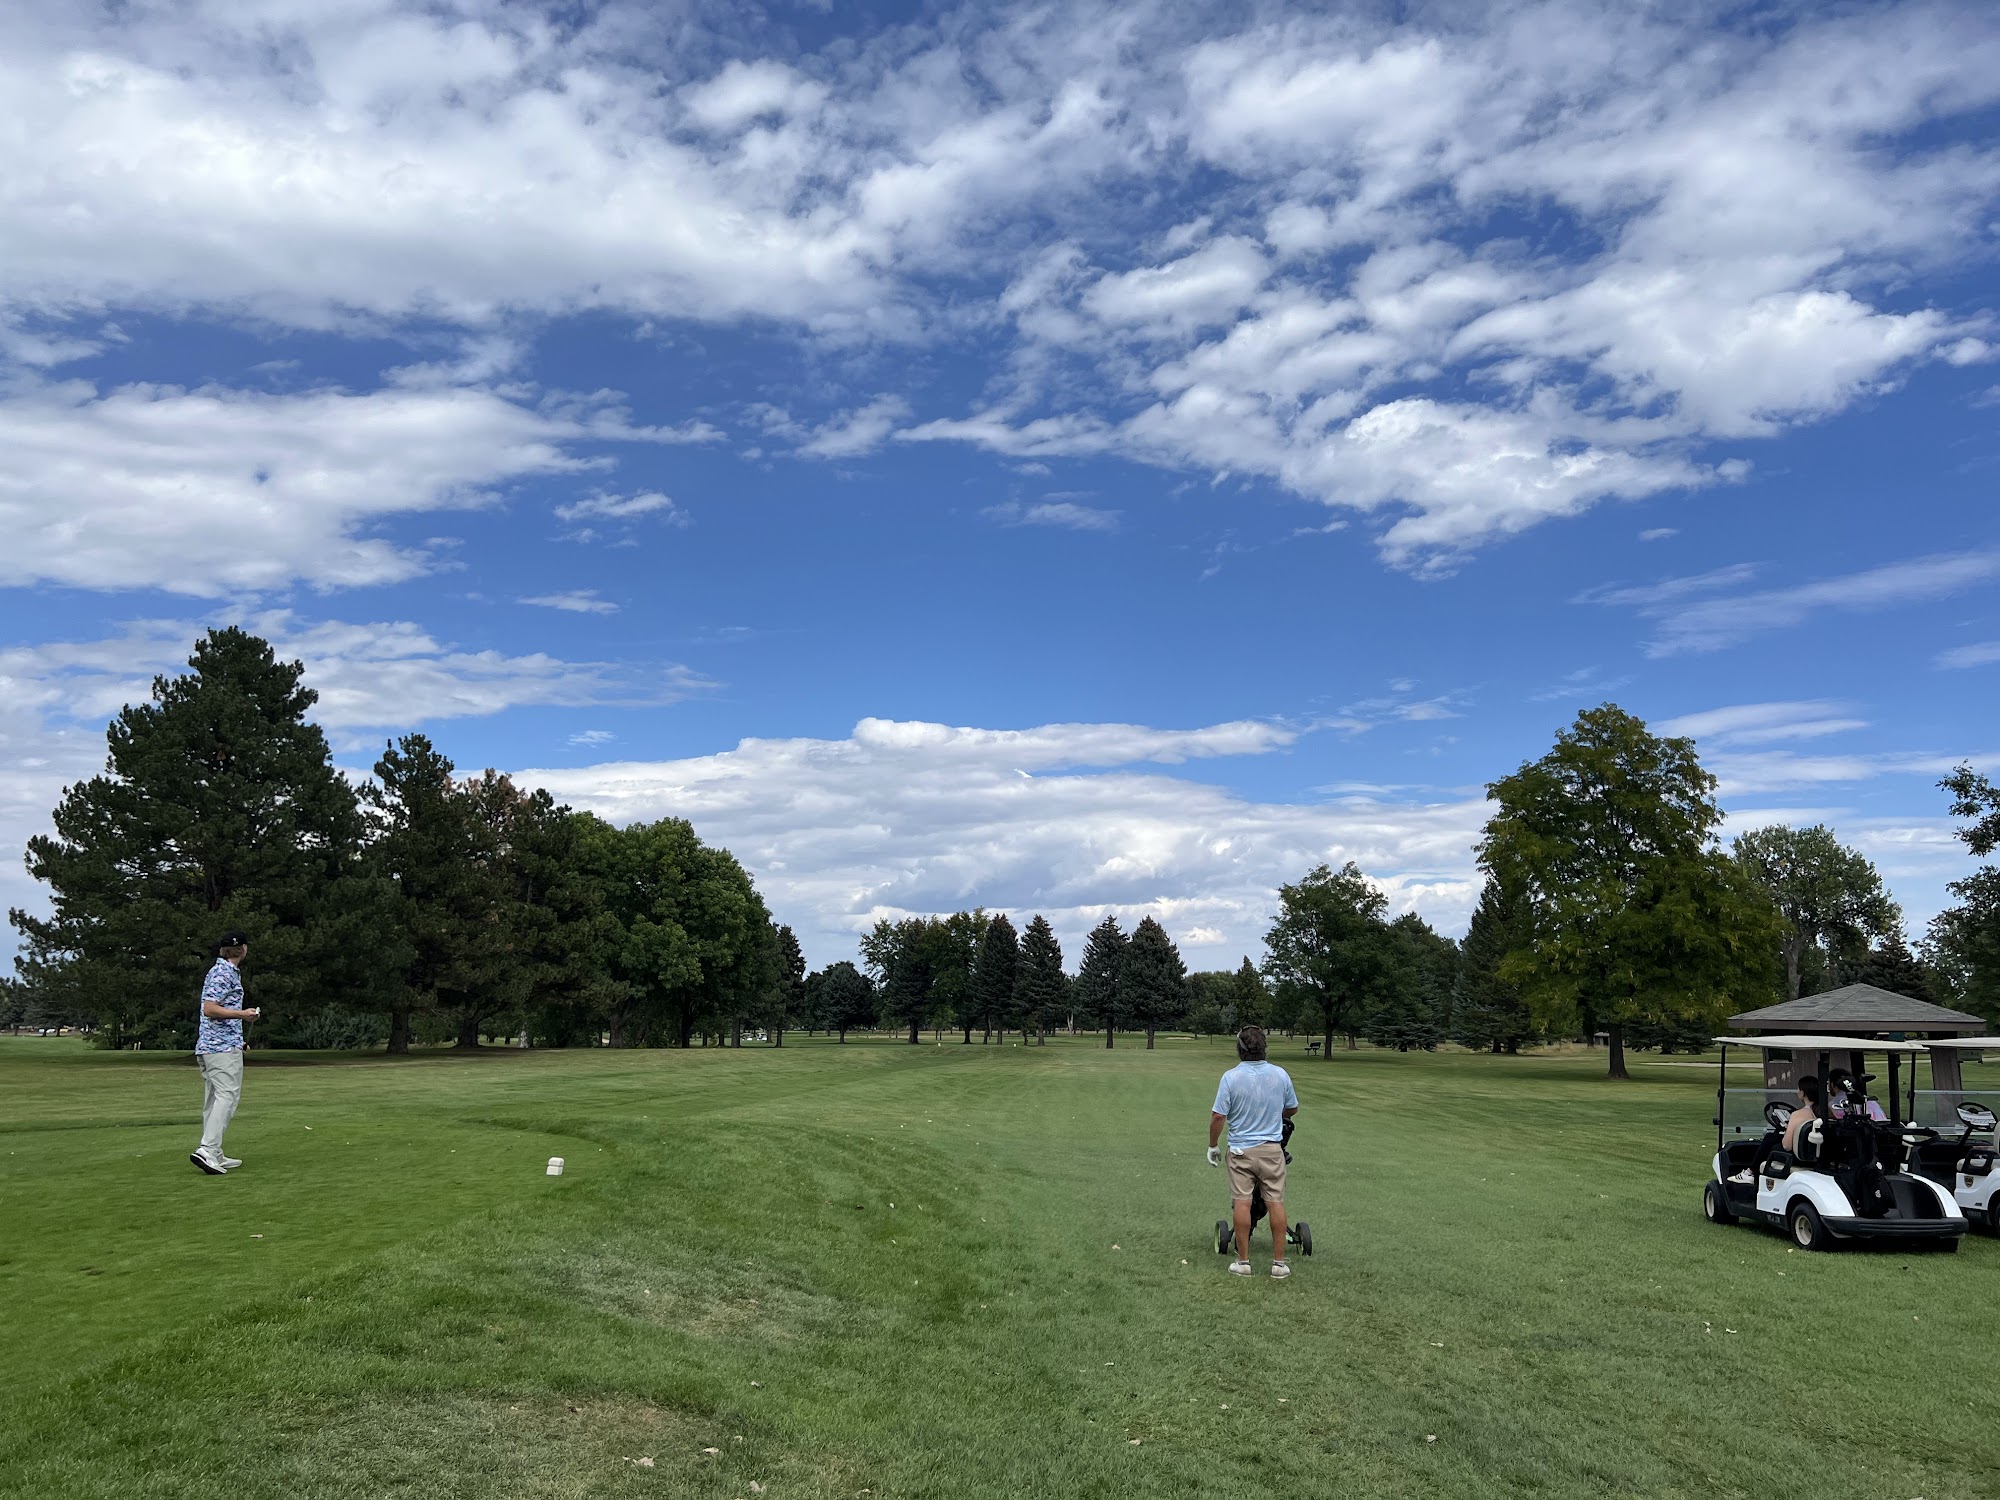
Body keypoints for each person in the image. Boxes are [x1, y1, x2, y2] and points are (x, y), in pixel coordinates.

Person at [1207, 1025, 1299, 1278]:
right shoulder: (1280, 1074)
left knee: (1242, 1202)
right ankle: (1279, 1264)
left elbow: (1218, 1116)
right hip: (1271, 1150)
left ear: (1240, 1049)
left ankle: (1243, 1262)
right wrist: (1274, 1112)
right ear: (1264, 1048)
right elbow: (1292, 1108)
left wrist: (1213, 1145)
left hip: (1240, 1151)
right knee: (1275, 1202)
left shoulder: (1231, 1077)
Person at [191, 931, 259, 1175]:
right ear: (243, 948)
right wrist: (243, 1014)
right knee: (227, 1096)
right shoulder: (223, 973)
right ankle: (207, 1150)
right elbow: (210, 1009)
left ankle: (215, 1151)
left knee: (214, 1099)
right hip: (220, 1047)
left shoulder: (223, 971)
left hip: (216, 1045)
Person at [1782, 1074, 1821, 1156]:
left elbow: (1787, 1146)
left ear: (1802, 1093)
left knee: (1770, 1141)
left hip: (1802, 1155)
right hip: (1819, 1154)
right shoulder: (1827, 1111)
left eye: (1798, 1089)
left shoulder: (1798, 1115)